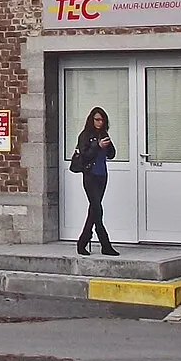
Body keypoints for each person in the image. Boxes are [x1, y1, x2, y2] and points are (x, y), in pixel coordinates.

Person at [73, 106, 119, 256]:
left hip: (102, 175)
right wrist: (97, 146)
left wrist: (108, 144)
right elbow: (85, 155)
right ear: (91, 120)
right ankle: (102, 243)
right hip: (90, 175)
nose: (100, 122)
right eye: (97, 119)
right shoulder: (85, 135)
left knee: (94, 210)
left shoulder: (104, 134)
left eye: (102, 120)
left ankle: (84, 243)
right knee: (97, 209)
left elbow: (111, 154)